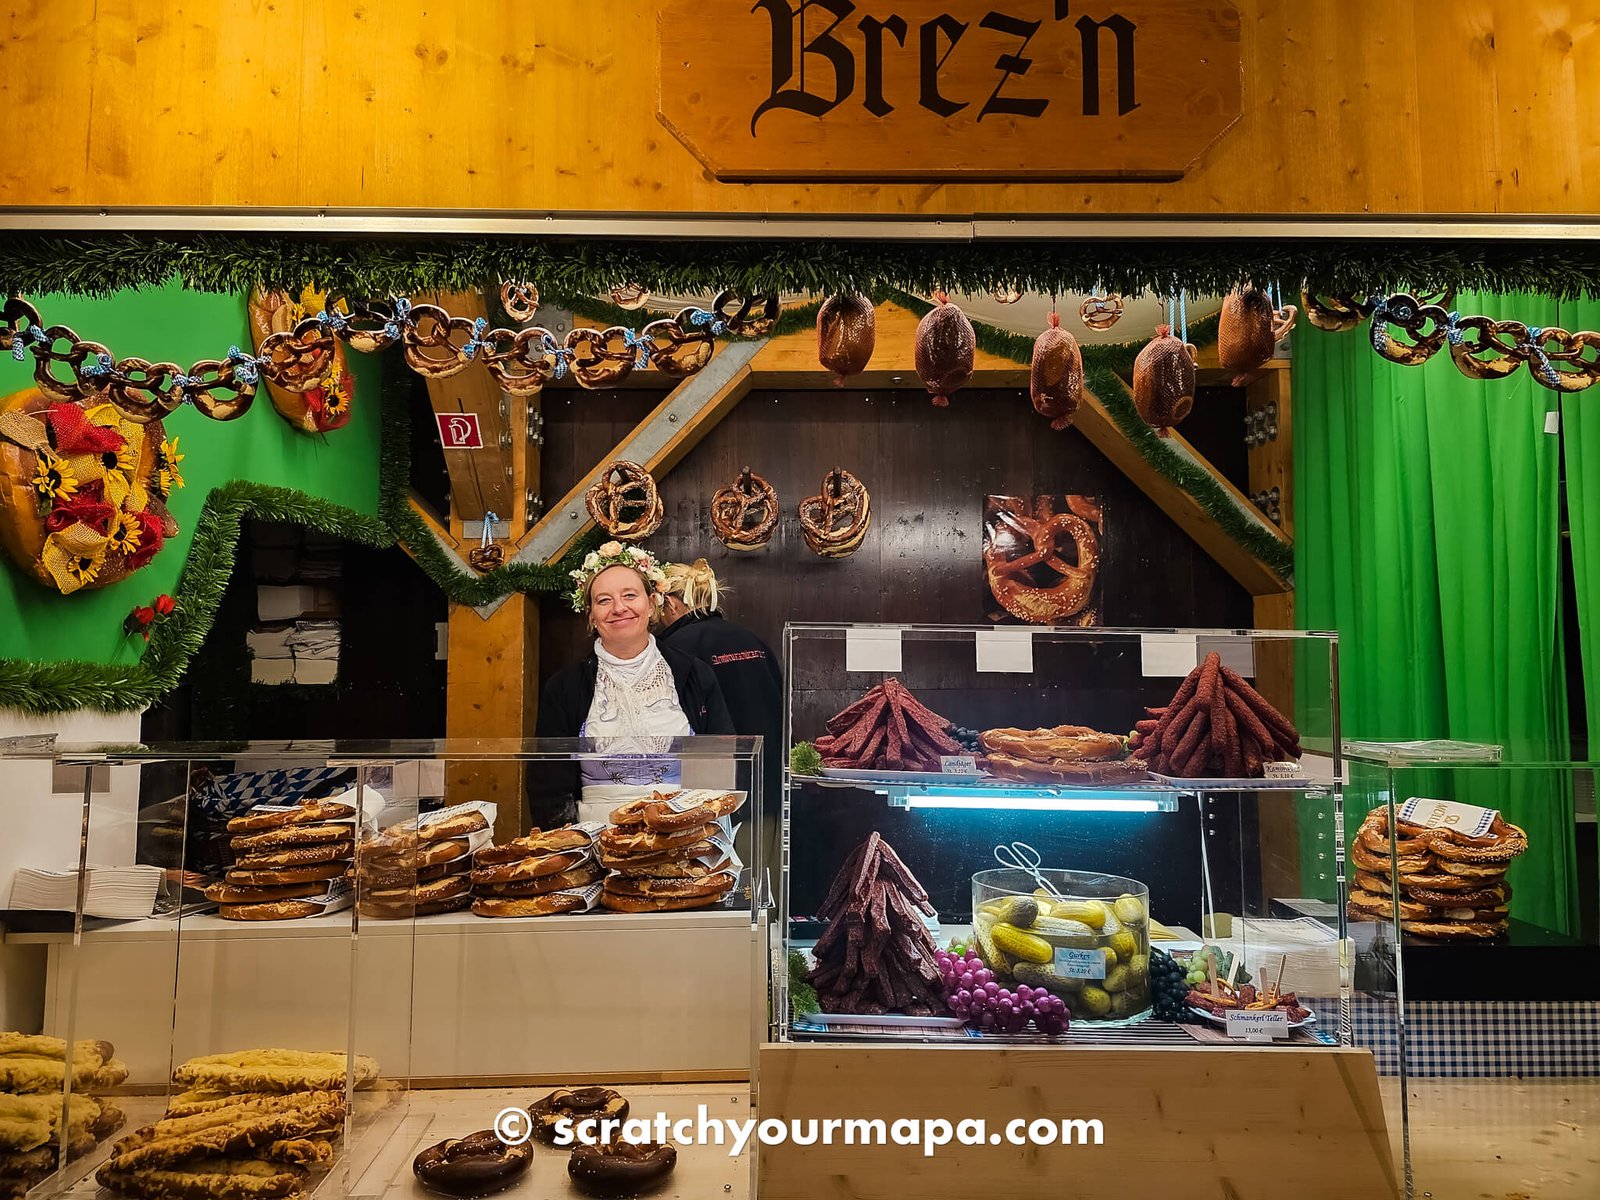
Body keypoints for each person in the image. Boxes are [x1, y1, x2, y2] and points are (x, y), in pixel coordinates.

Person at [529, 543, 733, 826]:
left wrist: (697, 834)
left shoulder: (694, 675)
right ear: (590, 615)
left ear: (651, 604)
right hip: (597, 839)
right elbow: (548, 785)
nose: (619, 608)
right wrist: (572, 848)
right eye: (604, 600)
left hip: (683, 831)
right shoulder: (564, 687)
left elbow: (720, 768)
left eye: (630, 595)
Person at [657, 558, 784, 880]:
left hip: (706, 800)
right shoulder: (753, 641)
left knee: (709, 886)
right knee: (759, 888)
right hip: (766, 786)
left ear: (670, 602)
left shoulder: (672, 649)